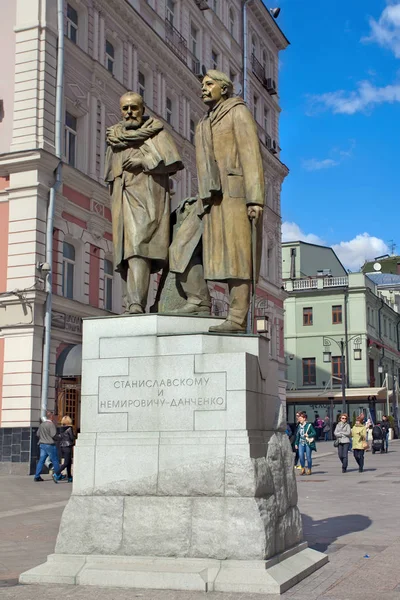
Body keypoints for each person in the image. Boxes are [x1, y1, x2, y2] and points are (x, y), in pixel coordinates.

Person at [170, 70, 264, 333]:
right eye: (202, 85)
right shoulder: (203, 122)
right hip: (210, 197)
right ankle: (199, 300)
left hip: (235, 195)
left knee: (238, 257)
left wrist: (255, 199)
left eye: (209, 84)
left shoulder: (237, 112)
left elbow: (251, 156)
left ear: (224, 88)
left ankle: (236, 318)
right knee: (181, 246)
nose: (203, 88)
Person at [105, 92, 183, 314]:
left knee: (139, 247)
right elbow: (110, 173)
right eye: (125, 108)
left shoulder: (156, 133)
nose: (129, 112)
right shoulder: (114, 138)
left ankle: (136, 303)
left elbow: (173, 162)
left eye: (134, 108)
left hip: (148, 199)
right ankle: (131, 301)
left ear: (143, 108)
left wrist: (144, 160)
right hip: (122, 198)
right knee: (126, 253)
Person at [34, 410, 61, 482]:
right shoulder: (51, 425)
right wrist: (60, 437)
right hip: (50, 445)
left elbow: (37, 434)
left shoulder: (42, 424)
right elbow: (53, 435)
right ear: (51, 417)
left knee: (41, 460)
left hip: (42, 444)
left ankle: (37, 476)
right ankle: (58, 475)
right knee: (55, 460)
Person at [53, 416, 75, 483]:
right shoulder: (69, 428)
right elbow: (72, 438)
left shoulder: (61, 429)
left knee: (68, 462)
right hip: (68, 446)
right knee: (66, 463)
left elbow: (58, 437)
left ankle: (69, 477)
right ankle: (56, 473)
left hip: (62, 446)